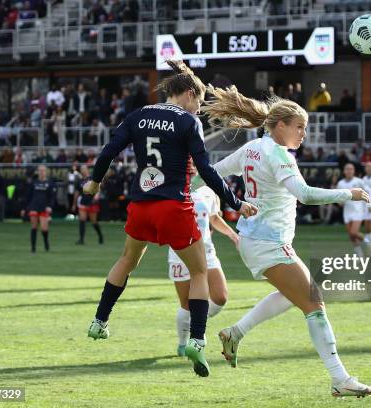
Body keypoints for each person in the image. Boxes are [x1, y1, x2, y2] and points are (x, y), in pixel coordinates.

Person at [194, 84, 371, 398]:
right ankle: (340, 378)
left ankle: (234, 333)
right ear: (280, 126)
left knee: (295, 295)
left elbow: (210, 174)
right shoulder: (278, 155)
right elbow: (305, 194)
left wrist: (178, 188)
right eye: (300, 127)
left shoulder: (252, 149)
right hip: (268, 243)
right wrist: (350, 194)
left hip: (255, 240)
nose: (304, 134)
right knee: (314, 304)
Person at [84, 60, 256, 379]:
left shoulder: (138, 115)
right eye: (198, 101)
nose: (197, 108)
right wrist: (234, 201)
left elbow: (108, 151)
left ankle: (99, 321)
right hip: (174, 206)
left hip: (140, 206)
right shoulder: (189, 122)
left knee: (126, 261)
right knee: (199, 271)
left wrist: (93, 184)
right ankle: (196, 341)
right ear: (189, 94)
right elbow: (205, 170)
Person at [170, 184, 239, 357]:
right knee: (186, 304)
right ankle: (183, 342)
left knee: (220, 297)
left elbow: (214, 218)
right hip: (180, 252)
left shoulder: (209, 189)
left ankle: (197, 323)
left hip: (206, 251)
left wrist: (233, 235)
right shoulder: (172, 184)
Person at [336, 162, 371, 257]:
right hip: (347, 212)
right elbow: (338, 198)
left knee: (354, 232)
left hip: (358, 210)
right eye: (347, 169)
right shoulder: (340, 183)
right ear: (344, 171)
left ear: (354, 171)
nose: (349, 171)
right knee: (351, 236)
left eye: (351, 169)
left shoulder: (359, 181)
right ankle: (360, 255)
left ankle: (367, 242)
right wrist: (340, 203)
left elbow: (368, 192)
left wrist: (369, 205)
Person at [23, 165, 56, 252]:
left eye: (43, 171)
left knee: (44, 228)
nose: (42, 172)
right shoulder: (33, 182)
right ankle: (33, 248)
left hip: (44, 208)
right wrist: (25, 208)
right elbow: (28, 196)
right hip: (34, 207)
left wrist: (50, 206)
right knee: (34, 227)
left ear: (46, 172)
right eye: (40, 171)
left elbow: (52, 197)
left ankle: (46, 242)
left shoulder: (50, 183)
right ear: (37, 172)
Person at [74, 165, 104, 245]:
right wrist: (74, 204)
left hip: (92, 202)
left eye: (84, 169)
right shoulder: (79, 181)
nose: (83, 171)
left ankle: (100, 236)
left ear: (87, 170)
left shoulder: (92, 178)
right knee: (82, 220)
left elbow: (98, 188)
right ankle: (81, 239)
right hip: (83, 202)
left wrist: (96, 196)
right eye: (81, 169)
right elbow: (76, 193)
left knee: (93, 222)